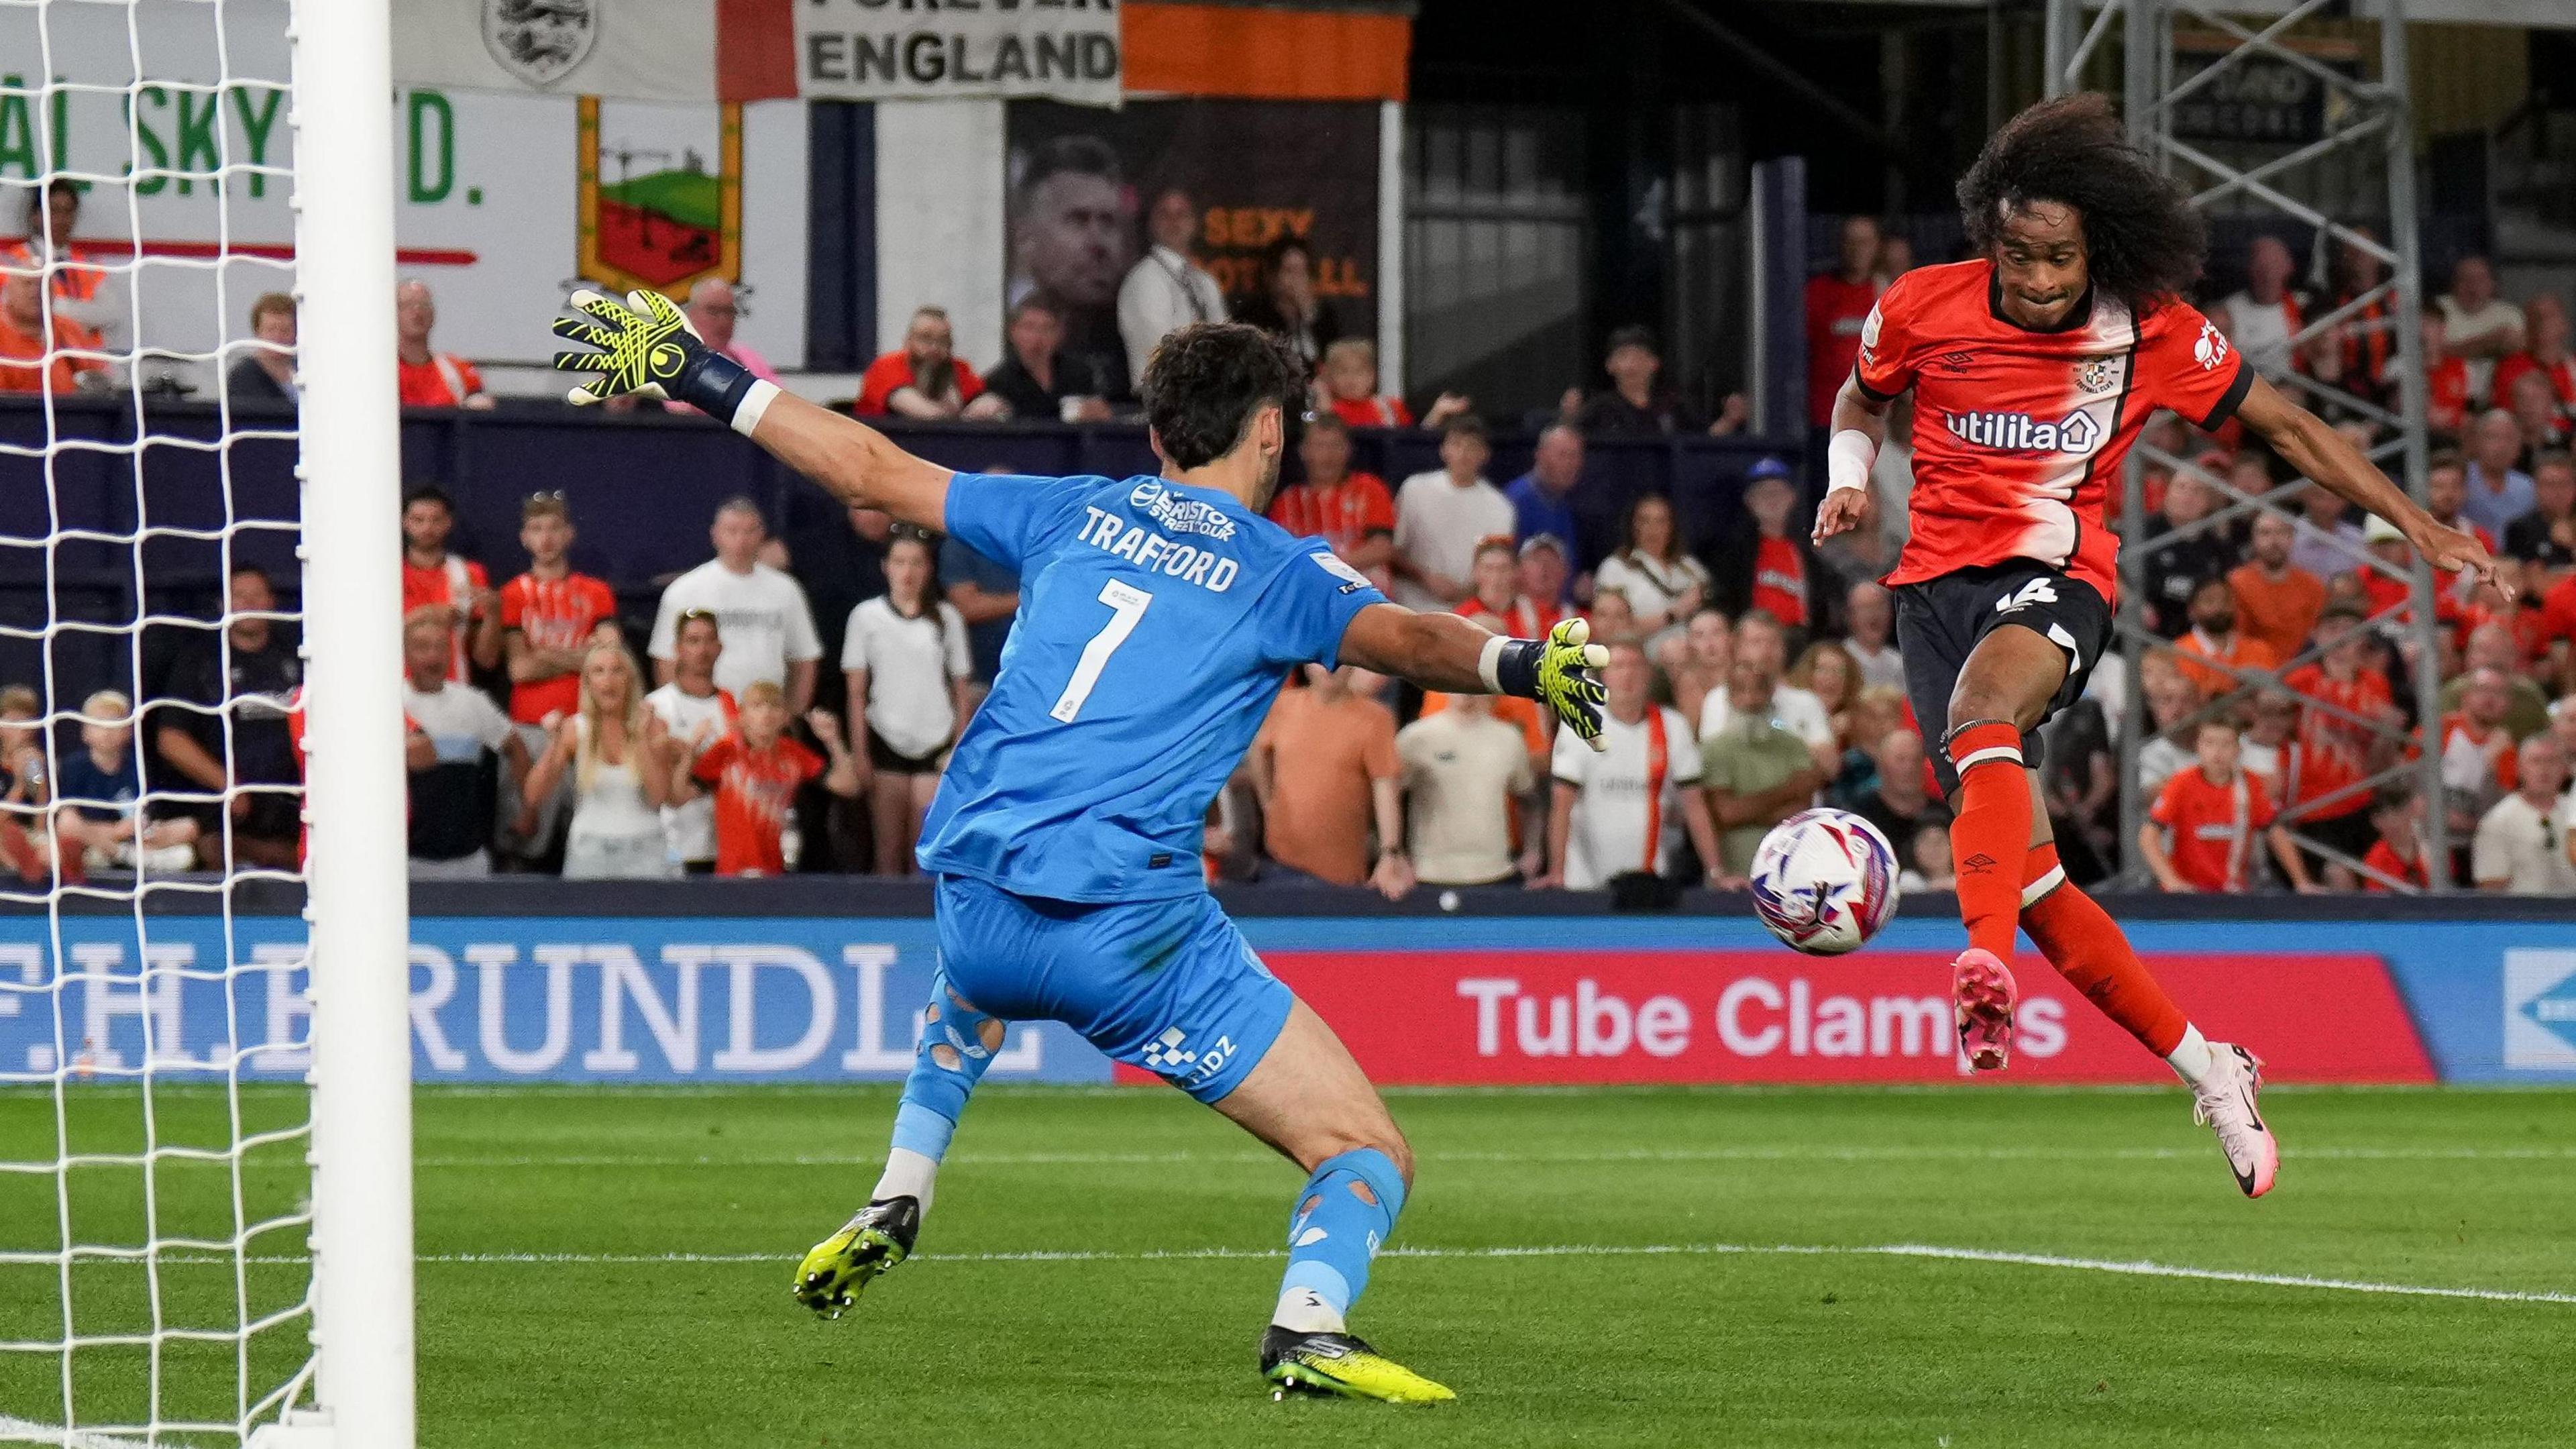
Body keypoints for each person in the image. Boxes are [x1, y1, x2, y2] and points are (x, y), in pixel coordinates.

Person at [554, 298, 1611, 1399]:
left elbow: (867, 469)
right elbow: (1403, 637)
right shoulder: (1283, 570)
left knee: (973, 978)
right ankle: (1308, 1323)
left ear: (1156, 439)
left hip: (973, 909)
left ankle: (900, 1189)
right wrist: (1522, 663)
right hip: (1126, 938)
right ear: (1269, 435)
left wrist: (698, 369)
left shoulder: (1070, 511)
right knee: (1363, 1151)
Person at [1811, 93, 2500, 1197]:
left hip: (2060, 578)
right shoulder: (1920, 306)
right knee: (2038, 883)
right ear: (1988, 237)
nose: (2038, 278)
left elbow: (2288, 427)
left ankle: (1978, 961)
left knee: (1986, 717)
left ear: (2100, 248)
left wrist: (2413, 521)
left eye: (2060, 258)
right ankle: (2212, 1065)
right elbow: (1860, 399)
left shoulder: (2152, 328)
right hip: (1931, 591)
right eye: (2019, 254)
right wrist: (1849, 485)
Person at [146, 566, 303, 871]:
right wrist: (229, 784)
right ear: (222, 604)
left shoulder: (299, 654)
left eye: (257, 595)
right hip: (226, 807)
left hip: (293, 801)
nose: (249, 603)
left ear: (272, 601)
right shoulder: (200, 661)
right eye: (240, 596)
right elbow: (171, 740)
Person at [842, 531, 973, 876]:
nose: (907, 572)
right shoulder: (866, 617)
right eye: (900, 563)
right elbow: (856, 692)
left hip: (936, 741)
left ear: (929, 569)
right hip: (887, 740)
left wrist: (958, 748)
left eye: (916, 563)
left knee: (924, 850)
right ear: (886, 567)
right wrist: (860, 753)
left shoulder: (947, 618)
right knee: (887, 848)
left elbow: (959, 689)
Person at [496, 494, 620, 855]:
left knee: (591, 841)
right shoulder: (513, 593)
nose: (545, 538)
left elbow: (610, 657)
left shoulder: (596, 592)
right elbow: (519, 669)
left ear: (569, 534)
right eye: (536, 529)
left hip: (588, 727)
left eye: (553, 528)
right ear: (524, 538)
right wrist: (582, 656)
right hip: (532, 729)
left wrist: (546, 654)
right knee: (526, 840)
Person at [1542, 641, 1719, 890]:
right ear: (1604, 675)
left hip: (1649, 881)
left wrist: (1715, 872)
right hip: (1585, 882)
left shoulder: (1672, 726)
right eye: (1618, 666)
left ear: (1648, 673)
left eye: (1635, 666)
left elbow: (1695, 805)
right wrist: (1556, 873)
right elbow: (1562, 805)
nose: (1627, 674)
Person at [517, 638, 675, 879]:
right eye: (599, 672)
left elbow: (658, 797)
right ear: (588, 683)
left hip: (646, 851)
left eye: (617, 671)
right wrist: (554, 743)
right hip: (589, 853)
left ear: (631, 680)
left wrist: (641, 738)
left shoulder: (654, 728)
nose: (608, 681)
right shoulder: (574, 730)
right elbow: (533, 795)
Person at [647, 497, 823, 711]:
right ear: (715, 534)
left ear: (762, 535)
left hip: (767, 718)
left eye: (749, 531)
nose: (741, 540)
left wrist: (793, 713)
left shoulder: (786, 590)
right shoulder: (685, 591)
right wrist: (677, 713)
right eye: (732, 531)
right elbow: (665, 659)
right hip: (705, 716)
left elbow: (804, 658)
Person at [1249, 665, 1408, 895]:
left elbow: (1385, 787)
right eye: (1321, 658)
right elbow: (1259, 750)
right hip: (1280, 867)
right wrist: (1267, 800)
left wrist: (1390, 852)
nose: (1330, 667)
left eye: (1339, 660)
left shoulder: (1375, 719)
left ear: (1354, 665)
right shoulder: (1281, 706)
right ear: (1306, 663)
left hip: (1342, 878)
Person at [398, 608, 529, 879]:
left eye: (441, 647)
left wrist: (528, 809)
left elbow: (516, 748)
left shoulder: (473, 702)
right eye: (422, 648)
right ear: (406, 654)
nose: (433, 657)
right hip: (407, 863)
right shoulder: (390, 703)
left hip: (471, 861)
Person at [680, 681, 860, 875]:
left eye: (774, 706)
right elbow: (678, 796)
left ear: (784, 717)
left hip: (776, 872)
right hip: (733, 873)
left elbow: (849, 786)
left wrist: (833, 741)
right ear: (742, 715)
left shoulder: (793, 753)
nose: (766, 714)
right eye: (757, 706)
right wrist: (690, 750)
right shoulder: (726, 751)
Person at [1008, 136, 1132, 396]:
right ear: (1025, 236)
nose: (1099, 243)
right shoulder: (1004, 368)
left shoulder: (1132, 336)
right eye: (1078, 220)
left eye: (1108, 222)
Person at [2140, 716, 2312, 894]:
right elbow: (2148, 835)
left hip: (2233, 893)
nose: (2217, 752)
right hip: (2188, 893)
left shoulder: (2250, 784)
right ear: (2198, 747)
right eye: (2210, 743)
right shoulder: (2181, 783)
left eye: (2226, 744)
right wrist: (2171, 881)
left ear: (2238, 749)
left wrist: (2301, 882)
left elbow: (2276, 833)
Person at [1696, 657, 1825, 887]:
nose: (1751, 700)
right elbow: (1726, 814)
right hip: (1734, 878)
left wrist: (1747, 812)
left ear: (1771, 694)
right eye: (1741, 691)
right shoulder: (1714, 749)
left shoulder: (1793, 745)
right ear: (1730, 697)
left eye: (1759, 690)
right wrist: (1788, 790)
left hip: (1788, 878)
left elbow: (1800, 812)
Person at [1395, 688, 1537, 888]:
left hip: (1496, 872)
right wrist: (1394, 854)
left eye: (1471, 681)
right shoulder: (1416, 738)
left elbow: (1529, 799)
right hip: (1429, 873)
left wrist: (1533, 851)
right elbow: (1388, 797)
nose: (1465, 691)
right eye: (1456, 681)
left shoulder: (1509, 739)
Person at [52, 690, 199, 875]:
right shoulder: (73, 766)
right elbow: (67, 821)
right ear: (85, 732)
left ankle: (127, 856)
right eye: (98, 724)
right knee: (68, 825)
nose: (106, 731)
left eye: (115, 724)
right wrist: (113, 831)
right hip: (93, 839)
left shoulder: (138, 766)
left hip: (133, 838)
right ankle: (124, 856)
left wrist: (137, 828)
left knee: (189, 827)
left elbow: (146, 814)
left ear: (128, 731)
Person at [643, 609, 737, 874]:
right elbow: (657, 772)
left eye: (709, 641)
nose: (702, 650)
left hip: (723, 843)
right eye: (693, 641)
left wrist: (685, 752)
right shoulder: (656, 706)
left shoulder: (731, 706)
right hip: (673, 841)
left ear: (719, 648)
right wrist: (692, 752)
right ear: (678, 648)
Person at [1390, 416, 1513, 612]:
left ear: (1484, 454)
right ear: (1444, 449)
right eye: (1456, 445)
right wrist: (1425, 578)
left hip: (1469, 614)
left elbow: (1498, 567)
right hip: (1410, 606)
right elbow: (1393, 551)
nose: (1463, 454)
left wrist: (1464, 593)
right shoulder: (1414, 489)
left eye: (1472, 447)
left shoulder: (1501, 507)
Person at [1118, 187, 1229, 394]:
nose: (1174, 222)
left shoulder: (1205, 282)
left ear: (1194, 222)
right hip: (1164, 399)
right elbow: (1162, 354)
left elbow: (1227, 343)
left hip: (1209, 398)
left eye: (1182, 214)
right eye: (1165, 214)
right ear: (1151, 223)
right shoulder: (1144, 279)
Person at [1263, 413, 1397, 580]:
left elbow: (1382, 548)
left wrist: (1331, 567)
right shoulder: (1287, 501)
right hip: (1311, 588)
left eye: (1336, 445)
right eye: (1319, 446)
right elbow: (1280, 558)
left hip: (1365, 588)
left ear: (1349, 450)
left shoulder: (1369, 488)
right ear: (1303, 451)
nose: (1328, 456)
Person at [398, 485, 499, 683]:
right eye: (418, 520)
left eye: (436, 520)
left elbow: (486, 660)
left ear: (448, 522)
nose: (427, 527)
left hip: (454, 692)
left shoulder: (469, 573)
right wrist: (427, 615)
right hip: (398, 695)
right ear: (405, 523)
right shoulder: (387, 575)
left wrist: (494, 614)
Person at [1709, 459, 1810, 633]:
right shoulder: (1733, 556)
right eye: (1763, 493)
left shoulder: (1807, 554)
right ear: (1750, 501)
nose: (1772, 499)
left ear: (1792, 498)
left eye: (1778, 492)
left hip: (1799, 640)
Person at [853, 306, 1004, 421]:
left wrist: (985, 404)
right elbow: (924, 413)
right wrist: (964, 417)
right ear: (908, 341)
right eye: (926, 338)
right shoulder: (886, 366)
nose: (934, 348)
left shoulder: (958, 368)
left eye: (943, 341)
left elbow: (990, 402)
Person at [1593, 494, 1710, 640]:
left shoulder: (1690, 566)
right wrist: (1673, 614)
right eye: (1644, 521)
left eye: (1661, 521)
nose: (1652, 528)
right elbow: (1611, 630)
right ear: (1634, 526)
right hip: (1640, 655)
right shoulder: (1615, 569)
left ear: (1672, 527)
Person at [2472, 731, 2575, 894]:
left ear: (2565, 769)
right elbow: (2491, 888)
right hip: (2523, 915)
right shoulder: (2498, 821)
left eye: (2552, 761)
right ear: (2519, 768)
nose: (2544, 769)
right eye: (2536, 761)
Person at [980, 297, 1112, 423]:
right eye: (1029, 327)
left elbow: (1100, 415)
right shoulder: (999, 382)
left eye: (1047, 329)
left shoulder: (1079, 374)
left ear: (1059, 334)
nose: (1038, 337)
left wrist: (1097, 413)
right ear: (1013, 332)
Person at [1807, 215, 1884, 430]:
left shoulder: (1888, 293)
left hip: (1873, 419)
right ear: (1841, 245)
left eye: (1865, 242)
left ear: (1877, 246)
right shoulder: (1816, 293)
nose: (1858, 249)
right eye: (1851, 242)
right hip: (1825, 417)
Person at [2225, 512, 2323, 668]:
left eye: (2281, 532)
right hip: (2253, 671)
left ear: (2292, 538)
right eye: (2265, 533)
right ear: (2254, 539)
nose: (2273, 541)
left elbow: (2318, 637)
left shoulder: (2313, 585)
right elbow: (2235, 639)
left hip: (2302, 670)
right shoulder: (2236, 583)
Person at [1236, 234, 1340, 372]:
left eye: (1302, 272)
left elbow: (1334, 358)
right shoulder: (1254, 316)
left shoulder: (1324, 316)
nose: (1297, 280)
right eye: (1290, 271)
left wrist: (1308, 316)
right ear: (1273, 275)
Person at [1316, 338, 1468, 431]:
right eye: (1343, 372)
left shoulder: (1392, 408)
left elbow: (1410, 445)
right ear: (1331, 378)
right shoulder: (1329, 413)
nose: (1351, 379)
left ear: (1372, 376)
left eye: (1359, 372)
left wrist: (1437, 413)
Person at [2171, 575, 2280, 702]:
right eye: (2209, 601)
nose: (2219, 608)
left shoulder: (2261, 651)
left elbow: (2272, 700)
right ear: (2191, 611)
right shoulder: (2177, 653)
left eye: (2226, 600)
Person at [0, 270, 109, 395]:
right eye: (27, 284)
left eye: (43, 285)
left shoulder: (69, 329)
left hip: (72, 411)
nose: (36, 292)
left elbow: (99, 380)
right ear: (7, 291)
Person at [1502, 424, 1586, 582]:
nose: (1571, 464)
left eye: (1575, 456)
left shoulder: (1566, 504)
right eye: (1563, 455)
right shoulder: (1514, 502)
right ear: (1540, 455)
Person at [2436, 255, 2524, 407]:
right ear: (2454, 284)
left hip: (2496, 401)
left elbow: (2515, 345)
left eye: (2480, 279)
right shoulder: (2437, 309)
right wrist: (2490, 343)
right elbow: (2429, 353)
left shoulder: (2510, 314)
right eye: (2465, 280)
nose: (2473, 286)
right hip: (2446, 399)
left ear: (2493, 284)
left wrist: (2453, 350)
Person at [2216, 235, 2303, 382]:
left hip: (2296, 389)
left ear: (2289, 267)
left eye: (2274, 265)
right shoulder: (2227, 313)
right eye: (2260, 266)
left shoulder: (2303, 306)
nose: (2268, 274)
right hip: (2250, 392)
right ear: (2249, 268)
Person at [394, 280, 492, 409]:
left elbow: (481, 412)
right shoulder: (379, 370)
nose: (417, 312)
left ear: (433, 314)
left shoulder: (459, 370)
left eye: (424, 305)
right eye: (407, 305)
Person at [1851, 727, 1947, 853]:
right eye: (1900, 760)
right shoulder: (1860, 818)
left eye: (1916, 759)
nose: (1909, 768)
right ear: (1881, 765)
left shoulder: (1943, 816)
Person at [1456, 536, 1563, 641]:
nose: (1496, 576)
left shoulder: (1534, 612)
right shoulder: (1462, 615)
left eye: (1504, 569)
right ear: (1476, 572)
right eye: (1488, 569)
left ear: (1516, 572)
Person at [2504, 451, 2576, 599]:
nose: (2558, 492)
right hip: (2539, 613)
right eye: (2550, 485)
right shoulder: (2521, 528)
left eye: (2564, 484)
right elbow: (2539, 588)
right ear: (2536, 488)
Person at [2493, 292, 2574, 418]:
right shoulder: (2510, 368)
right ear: (2526, 326)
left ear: (2564, 324)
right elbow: (2507, 419)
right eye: (2536, 316)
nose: (2542, 321)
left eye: (2550, 315)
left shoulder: (2573, 367)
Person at [2463, 410, 2537, 538]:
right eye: (2493, 437)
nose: (2501, 446)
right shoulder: (2461, 479)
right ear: (2477, 441)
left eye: (2509, 438)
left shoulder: (2528, 487)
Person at [225, 292, 299, 406]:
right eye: (271, 330)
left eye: (285, 330)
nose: (278, 337)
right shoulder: (243, 378)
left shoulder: (309, 371)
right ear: (257, 332)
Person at [2361, 782, 2433, 891]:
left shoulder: (2432, 850)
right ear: (2375, 822)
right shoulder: (2376, 859)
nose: (2393, 822)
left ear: (2411, 810)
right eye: (2384, 816)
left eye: (2399, 812)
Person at [1843, 581, 1906, 691]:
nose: (1874, 615)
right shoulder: (1842, 659)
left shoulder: (1900, 664)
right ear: (1851, 616)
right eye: (1866, 608)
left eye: (1880, 607)